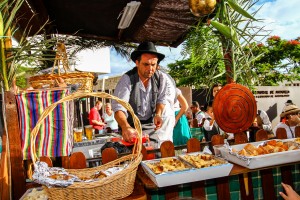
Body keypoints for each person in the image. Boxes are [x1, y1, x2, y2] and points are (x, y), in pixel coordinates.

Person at [112, 41, 168, 147]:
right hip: (130, 126)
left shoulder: (161, 78)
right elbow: (119, 107)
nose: (150, 69)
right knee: (131, 157)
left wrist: (158, 114)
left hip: (150, 126)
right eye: (146, 64)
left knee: (154, 155)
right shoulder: (127, 79)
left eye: (153, 64)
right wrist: (125, 127)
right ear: (137, 63)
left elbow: (161, 99)